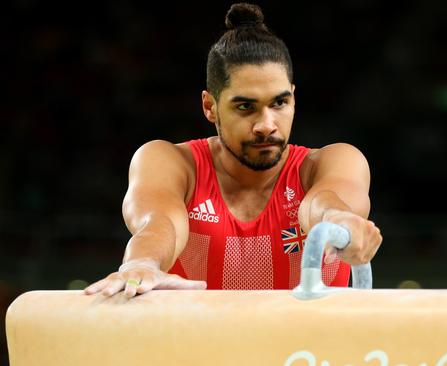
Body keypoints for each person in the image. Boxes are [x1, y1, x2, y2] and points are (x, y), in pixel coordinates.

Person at [84, 3, 382, 298]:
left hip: (305, 348)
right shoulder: (171, 163)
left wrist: (340, 222)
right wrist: (143, 262)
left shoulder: (333, 162)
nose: (266, 125)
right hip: (197, 346)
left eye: (279, 103)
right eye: (245, 107)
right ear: (209, 106)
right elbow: (157, 223)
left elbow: (323, 205)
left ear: (293, 98)